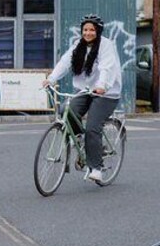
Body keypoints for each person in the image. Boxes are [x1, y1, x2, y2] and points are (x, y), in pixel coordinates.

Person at [42, 14, 122, 182]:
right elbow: (65, 62)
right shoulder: (77, 46)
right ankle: (81, 138)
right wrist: (51, 79)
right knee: (65, 109)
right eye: (85, 30)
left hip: (106, 93)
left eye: (92, 30)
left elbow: (107, 67)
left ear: (98, 31)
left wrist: (102, 86)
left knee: (93, 126)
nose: (88, 33)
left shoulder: (106, 46)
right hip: (85, 91)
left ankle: (96, 167)